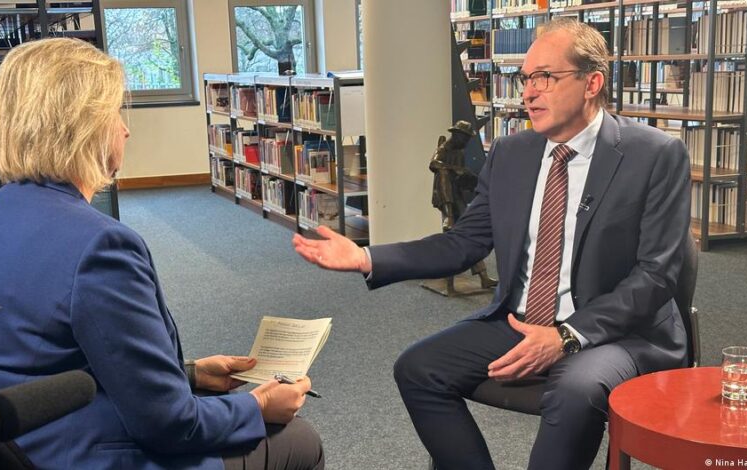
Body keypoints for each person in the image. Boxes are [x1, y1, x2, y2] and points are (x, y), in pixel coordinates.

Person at [293, 18, 690, 470]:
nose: (529, 93)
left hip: (614, 333)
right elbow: (463, 243)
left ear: (591, 83)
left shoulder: (654, 155)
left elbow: (656, 276)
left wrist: (566, 336)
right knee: (418, 369)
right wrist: (367, 256)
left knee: (575, 390)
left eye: (545, 77)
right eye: (526, 79)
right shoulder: (511, 154)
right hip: (521, 321)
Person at [0, 38, 323, 470]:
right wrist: (258, 405)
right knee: (299, 441)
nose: (125, 130)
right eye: (114, 115)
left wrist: (190, 374)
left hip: (12, 444)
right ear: (84, 127)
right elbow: (170, 425)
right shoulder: (101, 247)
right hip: (83, 454)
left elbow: (52, 357)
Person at [429, 120, 496, 290]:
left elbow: (460, 175)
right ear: (457, 135)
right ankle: (449, 215)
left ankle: (483, 277)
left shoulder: (459, 151)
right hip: (445, 197)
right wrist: (453, 169)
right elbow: (434, 164)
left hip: (456, 194)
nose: (466, 142)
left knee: (470, 235)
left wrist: (466, 175)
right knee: (443, 174)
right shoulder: (444, 148)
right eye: (465, 138)